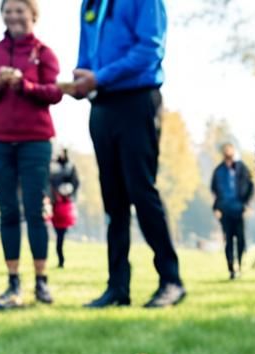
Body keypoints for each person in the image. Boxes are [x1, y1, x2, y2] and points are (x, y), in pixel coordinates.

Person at [64, 0, 185, 309]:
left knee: (141, 191)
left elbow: (149, 50)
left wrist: (100, 76)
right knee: (113, 200)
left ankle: (171, 281)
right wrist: (81, 80)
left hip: (137, 100)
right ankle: (117, 286)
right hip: (101, 107)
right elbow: (86, 53)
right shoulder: (89, 3)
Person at [0, 0, 62, 310]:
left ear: (32, 15)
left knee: (36, 210)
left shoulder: (44, 52)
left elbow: (55, 92)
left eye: (19, 11)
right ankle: (13, 281)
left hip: (35, 141)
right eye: (7, 11)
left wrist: (24, 85)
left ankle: (42, 280)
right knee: (8, 211)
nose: (13, 16)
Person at [210, 143, 254, 279]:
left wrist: (246, 204)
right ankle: (231, 269)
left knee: (240, 239)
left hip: (239, 209)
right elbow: (214, 189)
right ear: (223, 153)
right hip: (225, 210)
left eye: (230, 150)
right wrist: (216, 207)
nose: (228, 153)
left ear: (233, 152)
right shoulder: (218, 171)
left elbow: (250, 186)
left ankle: (239, 265)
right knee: (228, 240)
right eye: (226, 151)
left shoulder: (242, 168)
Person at [49, 147, 79, 269]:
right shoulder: (52, 167)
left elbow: (75, 183)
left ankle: (61, 258)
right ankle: (60, 257)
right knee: (58, 233)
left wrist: (68, 191)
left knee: (61, 234)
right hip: (55, 204)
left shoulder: (70, 167)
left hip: (65, 205)